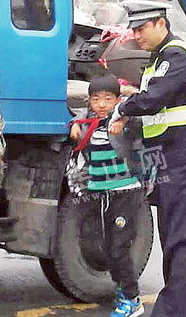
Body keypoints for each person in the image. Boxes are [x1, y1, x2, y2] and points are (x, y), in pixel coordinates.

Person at [109, 4, 186, 316]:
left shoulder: (176, 55)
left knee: (181, 241)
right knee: (177, 241)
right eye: (135, 29)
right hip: (173, 159)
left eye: (142, 28)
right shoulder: (159, 60)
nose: (136, 35)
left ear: (161, 23)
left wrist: (123, 108)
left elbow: (156, 98)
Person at [68, 74, 146, 317]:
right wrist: (74, 125)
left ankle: (132, 300)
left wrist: (124, 119)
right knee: (108, 247)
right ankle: (123, 289)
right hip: (103, 194)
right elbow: (79, 117)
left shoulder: (124, 119)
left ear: (117, 100)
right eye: (95, 99)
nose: (101, 104)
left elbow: (138, 118)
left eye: (107, 99)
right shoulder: (88, 121)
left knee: (119, 247)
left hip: (126, 193)